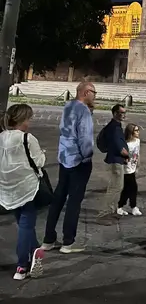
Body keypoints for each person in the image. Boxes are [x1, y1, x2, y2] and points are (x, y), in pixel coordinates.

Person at [42, 82, 95, 254]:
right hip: (78, 161)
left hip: (64, 157)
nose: (95, 96)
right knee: (74, 201)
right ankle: (68, 242)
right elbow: (85, 138)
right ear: (86, 92)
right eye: (93, 92)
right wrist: (87, 156)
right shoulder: (83, 110)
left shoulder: (68, 106)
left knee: (59, 197)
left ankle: (48, 239)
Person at [0, 104, 46, 280]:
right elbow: (39, 161)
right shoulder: (28, 138)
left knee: (23, 224)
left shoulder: (1, 137)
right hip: (27, 188)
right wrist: (42, 153)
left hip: (7, 188)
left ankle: (35, 250)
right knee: (26, 225)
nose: (30, 122)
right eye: (29, 118)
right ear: (22, 120)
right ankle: (22, 266)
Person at [97, 104, 129, 219]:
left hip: (117, 159)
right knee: (115, 187)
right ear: (115, 113)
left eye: (125, 112)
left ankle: (112, 210)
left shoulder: (115, 126)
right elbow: (118, 146)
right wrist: (126, 154)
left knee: (117, 187)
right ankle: (104, 214)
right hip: (116, 160)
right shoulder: (114, 128)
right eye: (121, 112)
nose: (124, 115)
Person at [117, 123, 142, 217]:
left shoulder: (137, 141)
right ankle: (133, 207)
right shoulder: (126, 144)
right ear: (131, 132)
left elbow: (138, 153)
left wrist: (138, 164)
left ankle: (120, 206)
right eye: (136, 130)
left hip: (133, 167)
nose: (138, 132)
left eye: (138, 130)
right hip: (126, 169)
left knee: (127, 189)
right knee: (133, 188)